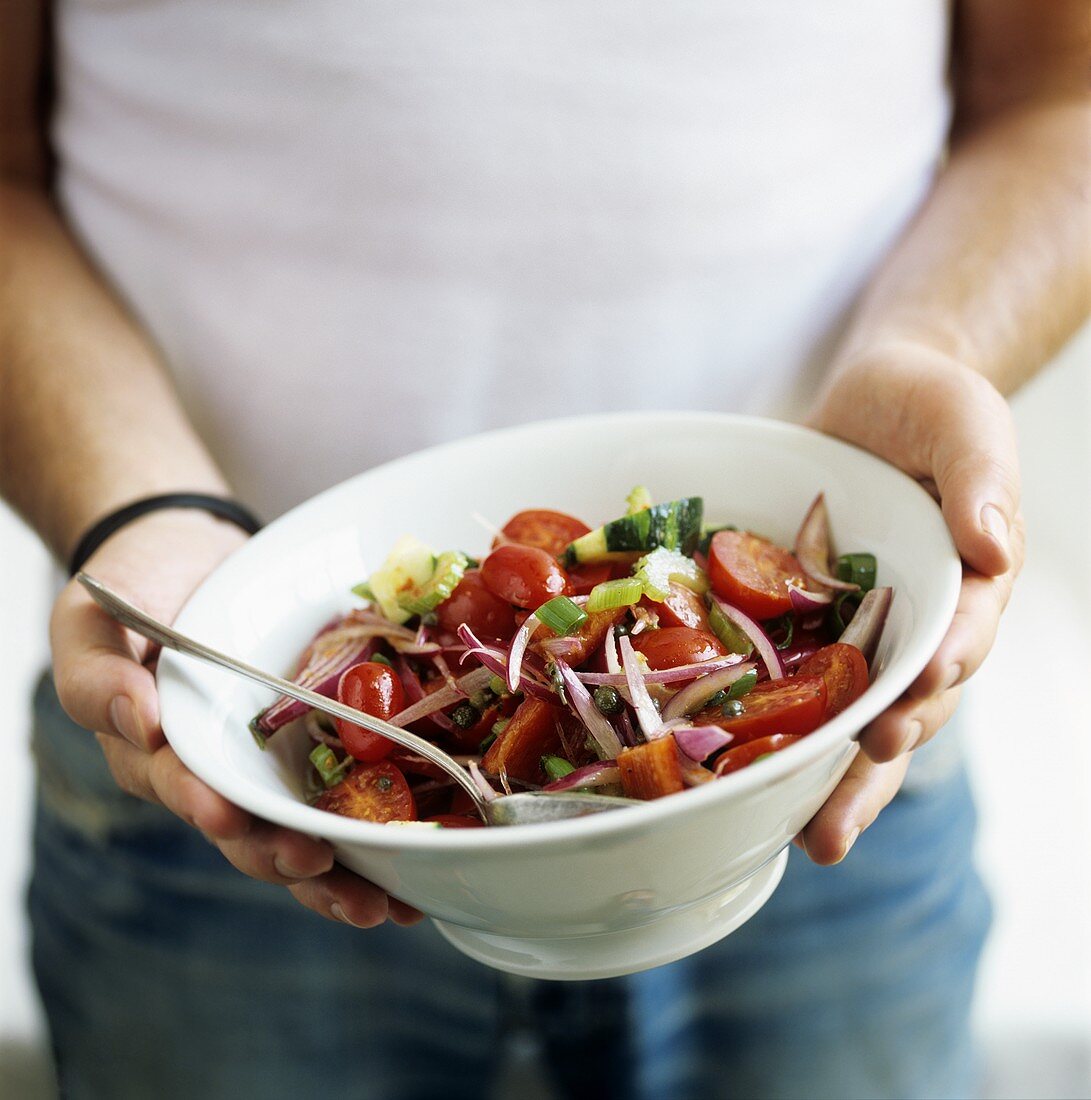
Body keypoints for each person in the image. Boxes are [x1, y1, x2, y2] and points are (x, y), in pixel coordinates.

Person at [1, 1, 1087, 1096]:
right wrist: (136, 503)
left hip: (820, 784)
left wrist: (932, 347)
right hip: (204, 769)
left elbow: (1059, 101)